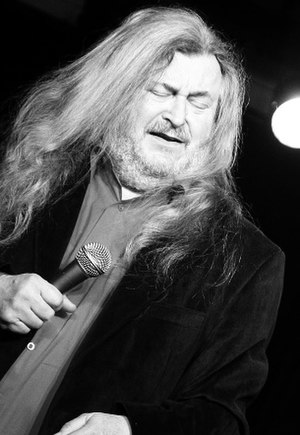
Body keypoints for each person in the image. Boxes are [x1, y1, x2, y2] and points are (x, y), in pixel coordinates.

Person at [0, 6, 284, 435]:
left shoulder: (246, 261)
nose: (178, 116)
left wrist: (133, 428)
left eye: (198, 102)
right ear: (116, 94)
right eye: (162, 91)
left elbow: (222, 416)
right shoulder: (28, 173)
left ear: (216, 123)